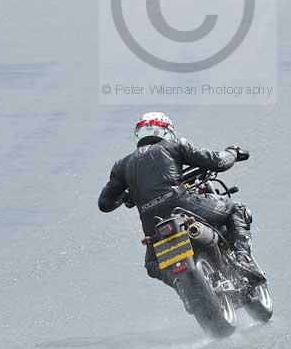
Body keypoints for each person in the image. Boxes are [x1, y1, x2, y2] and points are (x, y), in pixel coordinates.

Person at [98, 112, 265, 285]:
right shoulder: (174, 145)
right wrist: (233, 153)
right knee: (236, 209)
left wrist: (127, 195)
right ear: (165, 130)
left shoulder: (122, 165)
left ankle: (182, 287)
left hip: (152, 224)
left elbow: (105, 203)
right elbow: (217, 162)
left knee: (152, 265)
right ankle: (244, 260)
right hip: (184, 206)